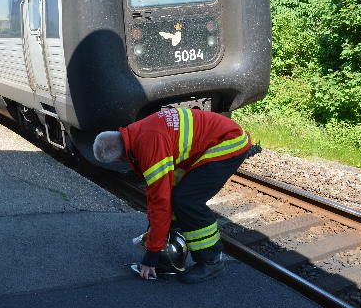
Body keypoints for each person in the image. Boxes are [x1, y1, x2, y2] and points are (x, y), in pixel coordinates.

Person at [93, 108, 251, 283]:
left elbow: (161, 200)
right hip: (214, 138)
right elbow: (160, 193)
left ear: (118, 159)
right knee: (178, 198)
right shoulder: (136, 132)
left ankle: (212, 260)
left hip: (229, 142)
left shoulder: (149, 148)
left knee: (187, 201)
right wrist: (157, 230)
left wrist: (152, 255)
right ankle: (174, 247)